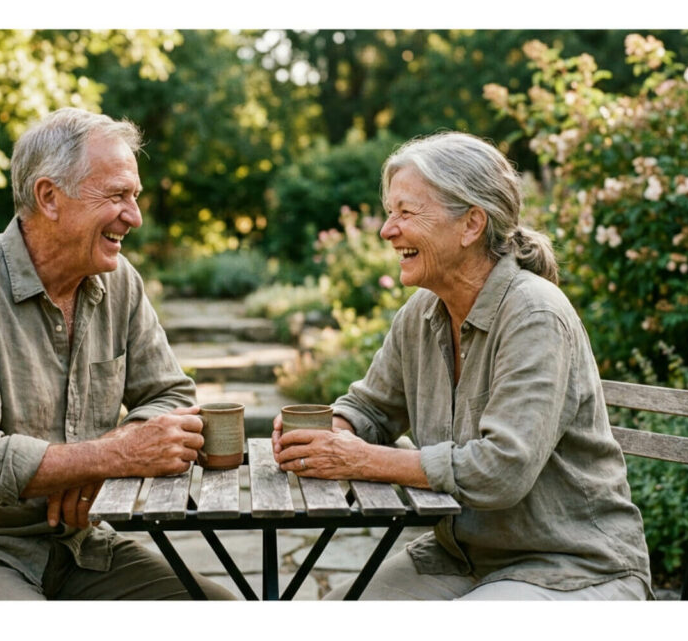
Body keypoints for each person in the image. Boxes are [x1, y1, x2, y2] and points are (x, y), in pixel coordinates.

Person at [0, 108, 233, 600]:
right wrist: (109, 455)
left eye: (135, 196)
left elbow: (172, 395)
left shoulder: (119, 281)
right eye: (117, 195)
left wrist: (93, 463)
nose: (135, 216)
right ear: (49, 197)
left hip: (74, 546)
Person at [273, 131, 653, 600]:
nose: (387, 229)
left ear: (471, 224)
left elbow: (501, 470)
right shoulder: (422, 312)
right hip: (462, 557)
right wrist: (328, 430)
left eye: (406, 212)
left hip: (572, 567)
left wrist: (364, 459)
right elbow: (371, 408)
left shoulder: (535, 315)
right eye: (390, 212)